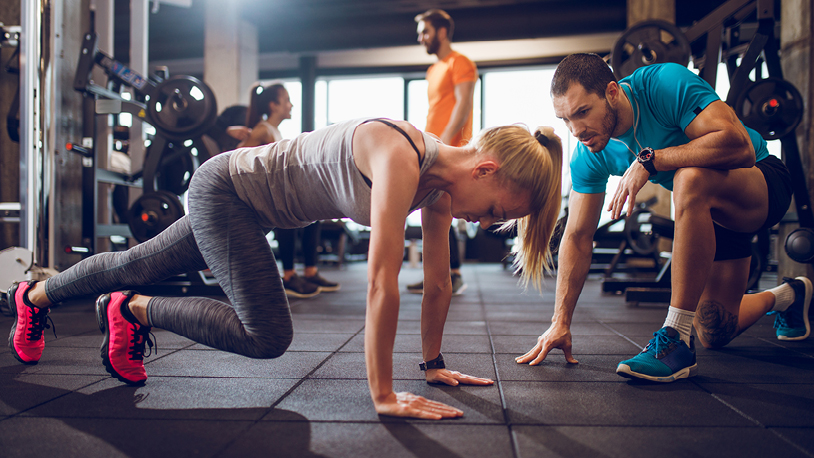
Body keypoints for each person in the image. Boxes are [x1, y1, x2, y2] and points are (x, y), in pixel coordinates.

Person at [9, 118, 563, 420]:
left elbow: (438, 283)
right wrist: (384, 395)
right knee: (268, 334)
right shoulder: (400, 156)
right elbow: (380, 281)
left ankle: (30, 298)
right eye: (493, 210)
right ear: (486, 168)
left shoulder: (438, 189)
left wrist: (433, 364)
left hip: (243, 204)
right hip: (227, 191)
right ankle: (130, 310)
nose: (482, 222)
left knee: (133, 261)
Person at [516, 53, 808, 383]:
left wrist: (651, 160)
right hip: (711, 215)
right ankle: (790, 295)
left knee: (689, 177)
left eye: (583, 112)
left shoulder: (663, 85)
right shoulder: (589, 152)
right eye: (566, 119)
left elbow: (740, 146)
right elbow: (578, 236)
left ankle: (676, 339)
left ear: (612, 92)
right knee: (715, 330)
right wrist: (561, 321)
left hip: (759, 183)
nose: (576, 130)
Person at [239, 82, 339, 298]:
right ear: (274, 105)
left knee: (315, 213)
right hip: (262, 198)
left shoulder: (274, 130)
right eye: (286, 101)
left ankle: (310, 272)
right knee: (287, 212)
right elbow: (235, 159)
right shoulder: (262, 130)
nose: (291, 105)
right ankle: (289, 276)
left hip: (276, 193)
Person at [408, 9, 478, 296]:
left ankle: (454, 274)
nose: (421, 38)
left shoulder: (460, 63)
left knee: (442, 208)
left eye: (425, 31)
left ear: (441, 32)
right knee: (432, 207)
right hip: (431, 143)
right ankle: (437, 274)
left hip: (448, 146)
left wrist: (444, 144)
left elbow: (462, 105)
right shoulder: (433, 70)